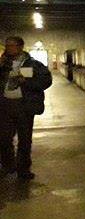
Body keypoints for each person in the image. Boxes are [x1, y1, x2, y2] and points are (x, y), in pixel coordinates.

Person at [0, 36, 52, 180]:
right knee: (4, 138)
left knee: (24, 139)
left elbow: (46, 80)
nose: (9, 48)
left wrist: (27, 82)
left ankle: (23, 169)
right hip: (5, 105)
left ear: (21, 46)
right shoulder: (3, 63)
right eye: (7, 45)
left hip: (24, 106)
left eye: (12, 45)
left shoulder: (32, 64)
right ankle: (7, 165)